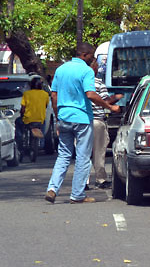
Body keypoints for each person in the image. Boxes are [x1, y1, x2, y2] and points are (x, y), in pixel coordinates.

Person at [44, 43, 121, 204]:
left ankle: (52, 189)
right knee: (83, 156)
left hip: (64, 117)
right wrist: (109, 106)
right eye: (91, 57)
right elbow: (91, 95)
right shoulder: (86, 71)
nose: (92, 60)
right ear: (85, 55)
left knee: (63, 155)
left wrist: (58, 118)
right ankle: (77, 194)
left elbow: (54, 96)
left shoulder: (60, 69)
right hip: (82, 119)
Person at [89, 58, 123, 189]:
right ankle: (101, 179)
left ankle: (83, 181)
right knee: (99, 151)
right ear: (94, 69)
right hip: (97, 120)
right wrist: (116, 98)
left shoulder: (77, 82)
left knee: (83, 153)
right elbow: (105, 101)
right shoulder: (97, 83)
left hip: (81, 121)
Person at [18, 79, 49, 156]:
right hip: (40, 119)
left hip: (28, 119)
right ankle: (41, 142)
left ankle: (20, 143)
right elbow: (46, 106)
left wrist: (22, 114)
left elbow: (23, 108)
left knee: (17, 122)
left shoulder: (26, 94)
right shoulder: (45, 94)